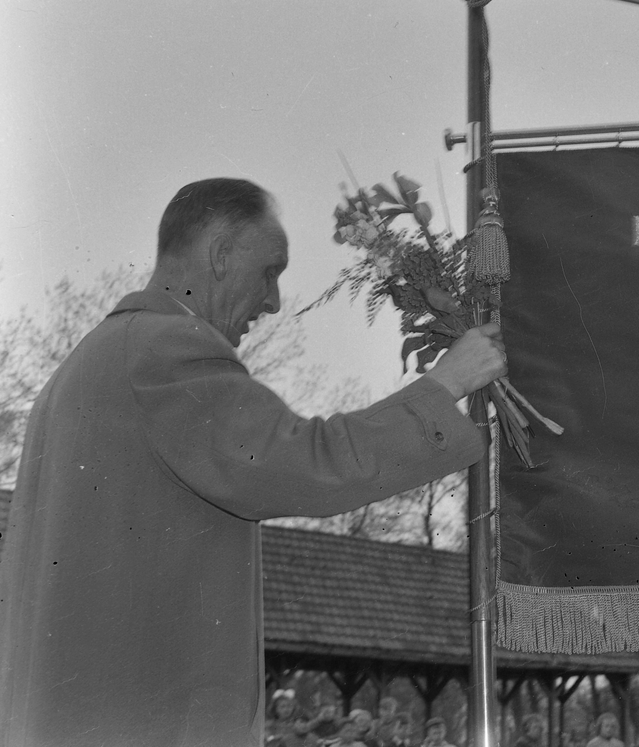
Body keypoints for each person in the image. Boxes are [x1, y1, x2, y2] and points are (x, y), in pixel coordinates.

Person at [0, 178, 506, 747]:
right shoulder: (162, 350)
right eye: (271, 271)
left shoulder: (80, 370)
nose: (274, 302)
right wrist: (446, 385)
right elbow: (306, 464)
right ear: (219, 254)